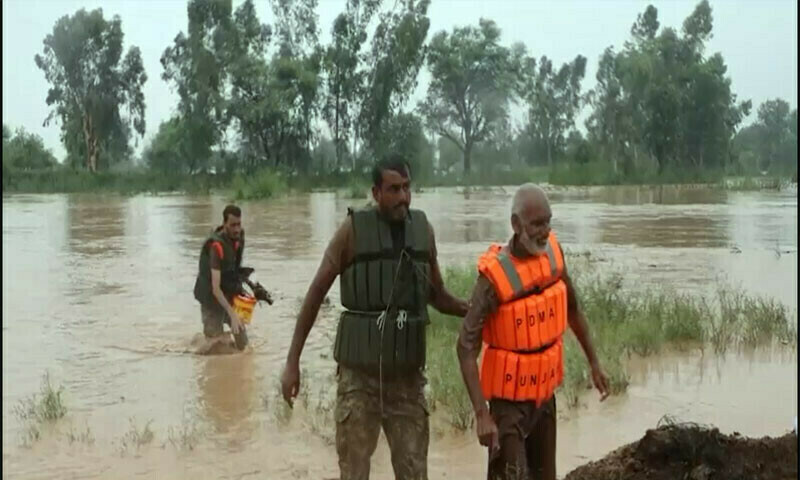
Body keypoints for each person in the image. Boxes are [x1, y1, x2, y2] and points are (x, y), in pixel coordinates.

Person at [280, 155, 469, 480]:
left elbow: (436, 296)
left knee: (414, 473)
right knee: (354, 473)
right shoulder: (351, 232)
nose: (403, 198)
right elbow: (315, 295)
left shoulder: (423, 231)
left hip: (407, 382)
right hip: (359, 382)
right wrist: (292, 362)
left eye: (407, 188)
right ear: (376, 192)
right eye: (394, 189)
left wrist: (473, 309)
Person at [456, 183, 610, 480]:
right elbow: (465, 347)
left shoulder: (553, 255)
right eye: (536, 224)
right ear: (516, 224)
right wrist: (481, 415)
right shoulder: (493, 280)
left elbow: (573, 310)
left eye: (548, 222)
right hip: (508, 409)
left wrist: (594, 363)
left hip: (544, 400)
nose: (544, 231)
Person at [193, 204, 249, 352]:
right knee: (214, 348)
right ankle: (194, 348)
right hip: (211, 296)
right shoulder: (216, 246)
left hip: (228, 291)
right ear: (224, 224)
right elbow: (215, 289)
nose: (236, 229)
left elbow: (235, 268)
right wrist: (232, 313)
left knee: (244, 345)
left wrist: (249, 288)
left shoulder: (239, 236)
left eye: (239, 224)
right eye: (232, 225)